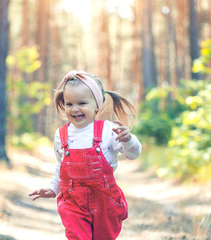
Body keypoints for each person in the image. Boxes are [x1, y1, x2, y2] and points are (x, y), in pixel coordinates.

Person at [29, 70, 142, 240]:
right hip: (73, 203)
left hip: (105, 201)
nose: (75, 109)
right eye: (69, 104)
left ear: (97, 105)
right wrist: (53, 188)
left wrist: (129, 140)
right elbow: (61, 166)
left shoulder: (107, 130)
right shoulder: (61, 135)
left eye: (82, 103)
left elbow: (134, 154)